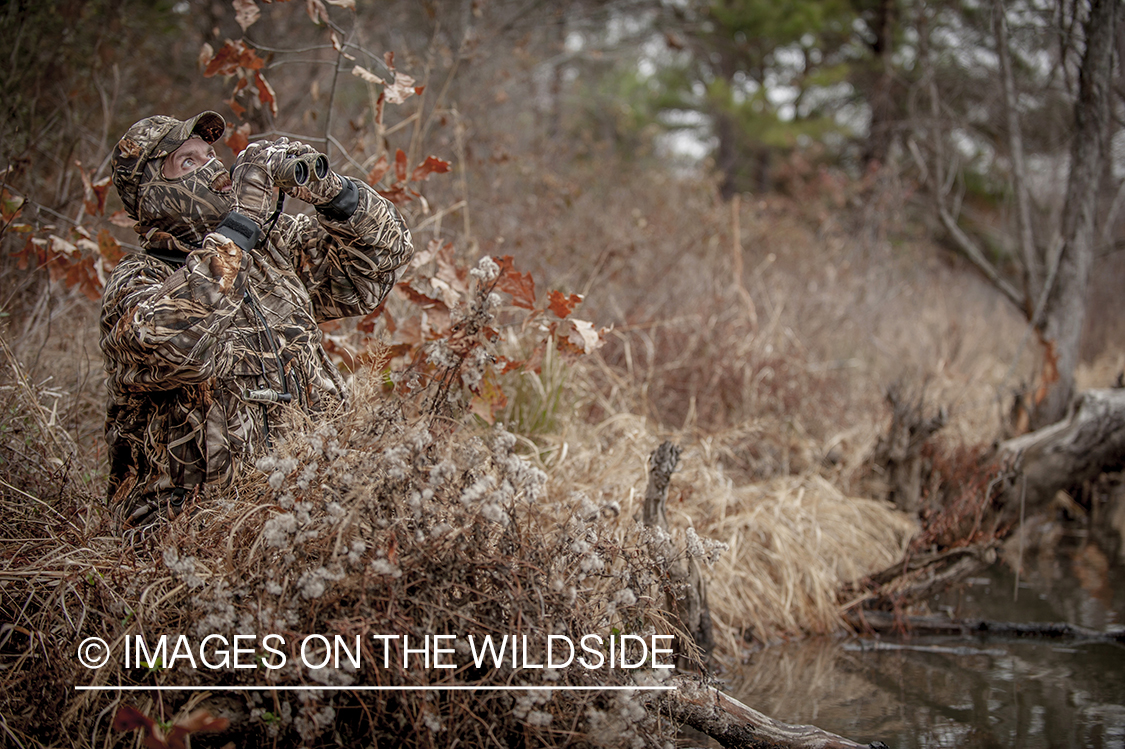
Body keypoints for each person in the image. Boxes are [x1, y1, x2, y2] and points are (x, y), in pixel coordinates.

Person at [102, 110, 413, 533]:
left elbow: (384, 259)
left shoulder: (272, 249)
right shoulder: (136, 282)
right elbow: (180, 348)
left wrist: (331, 192)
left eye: (210, 155)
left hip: (309, 512)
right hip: (195, 535)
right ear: (150, 193)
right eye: (188, 161)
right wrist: (243, 221)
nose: (214, 169)